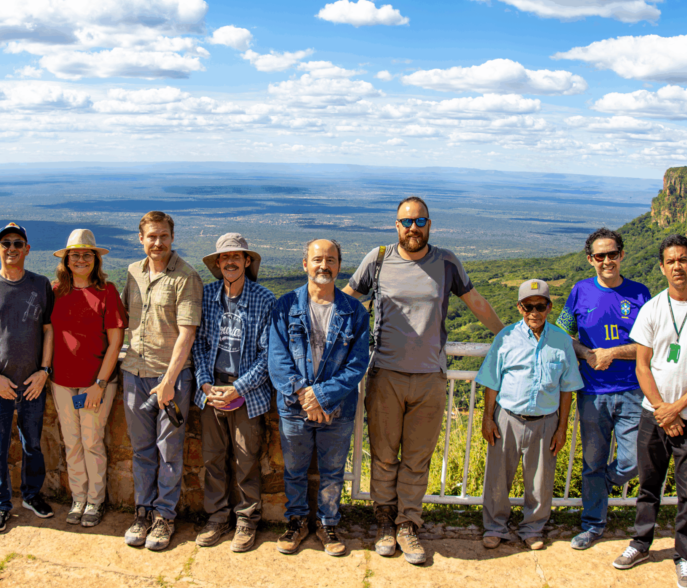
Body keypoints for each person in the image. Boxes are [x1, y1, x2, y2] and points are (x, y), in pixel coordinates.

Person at [343, 195, 504, 565]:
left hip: (431, 376)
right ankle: (384, 520)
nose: (412, 228)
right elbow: (348, 301)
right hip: (384, 373)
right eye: (406, 221)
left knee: (417, 458)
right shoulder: (379, 259)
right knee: (384, 456)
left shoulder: (446, 262)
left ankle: (408, 524)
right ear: (395, 225)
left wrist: (508, 335)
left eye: (420, 221)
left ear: (430, 224)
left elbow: (475, 301)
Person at [612, 234, 687, 588]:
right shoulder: (652, 308)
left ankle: (685, 557)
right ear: (662, 268)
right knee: (648, 486)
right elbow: (643, 365)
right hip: (654, 416)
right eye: (671, 261)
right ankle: (641, 543)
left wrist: (675, 410)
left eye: (683, 259)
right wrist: (663, 411)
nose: (678, 266)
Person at [269, 239, 370, 557]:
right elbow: (277, 357)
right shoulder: (285, 306)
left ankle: (328, 524)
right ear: (305, 264)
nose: (323, 265)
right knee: (295, 471)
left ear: (339, 266)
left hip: (336, 409)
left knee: (333, 471)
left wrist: (322, 396)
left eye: (330, 260)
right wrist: (305, 396)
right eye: (317, 259)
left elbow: (357, 365)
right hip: (294, 406)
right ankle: (297, 522)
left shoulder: (354, 312)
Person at [556, 228, 651, 550]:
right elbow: (562, 334)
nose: (607, 261)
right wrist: (586, 354)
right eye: (600, 256)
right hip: (592, 393)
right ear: (590, 260)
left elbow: (650, 343)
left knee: (634, 459)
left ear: (622, 255)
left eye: (612, 254)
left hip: (633, 390)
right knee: (592, 461)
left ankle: (599, 486)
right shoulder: (580, 291)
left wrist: (613, 353)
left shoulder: (640, 293)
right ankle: (592, 524)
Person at [477, 279, 584, 550]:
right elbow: (492, 381)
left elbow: (567, 388)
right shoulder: (506, 337)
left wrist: (562, 428)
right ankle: (494, 527)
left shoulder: (562, 342)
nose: (534, 312)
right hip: (508, 418)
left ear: (549, 307)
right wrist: (487, 418)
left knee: (540, 481)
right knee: (498, 478)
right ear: (519, 308)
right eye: (528, 307)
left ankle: (533, 528)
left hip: (546, 420)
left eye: (540, 306)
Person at [0, 223, 55, 534]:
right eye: (6, 243)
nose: (12, 248)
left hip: (32, 383)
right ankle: (0, 505)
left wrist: (44, 372)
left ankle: (31, 496)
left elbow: (47, 329)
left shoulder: (40, 285)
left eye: (18, 243)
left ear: (27, 249)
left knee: (33, 445)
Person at [121, 211, 203, 551]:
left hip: (170, 378)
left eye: (163, 236)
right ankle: (143, 511)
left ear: (172, 237)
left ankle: (164, 517)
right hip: (134, 374)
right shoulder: (132, 272)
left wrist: (169, 380)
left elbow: (187, 334)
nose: (157, 242)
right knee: (141, 450)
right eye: (151, 236)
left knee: (168, 451)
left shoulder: (185, 277)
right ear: (141, 239)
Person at [191, 233, 276, 552]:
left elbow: (268, 355)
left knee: (245, 459)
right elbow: (199, 345)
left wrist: (236, 388)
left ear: (247, 261)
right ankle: (217, 518)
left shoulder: (265, 300)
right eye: (223, 258)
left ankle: (246, 521)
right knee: (213, 459)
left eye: (236, 257)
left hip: (247, 391)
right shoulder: (207, 296)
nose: (229, 262)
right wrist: (205, 384)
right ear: (217, 263)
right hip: (211, 389)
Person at [50, 229, 127, 528]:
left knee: (92, 441)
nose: (81, 259)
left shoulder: (107, 292)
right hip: (61, 381)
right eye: (75, 254)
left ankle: (95, 500)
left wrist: (100, 384)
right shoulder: (56, 292)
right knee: (72, 443)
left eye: (87, 254)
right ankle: (78, 498)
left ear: (95, 259)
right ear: (67, 260)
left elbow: (116, 342)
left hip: (96, 383)